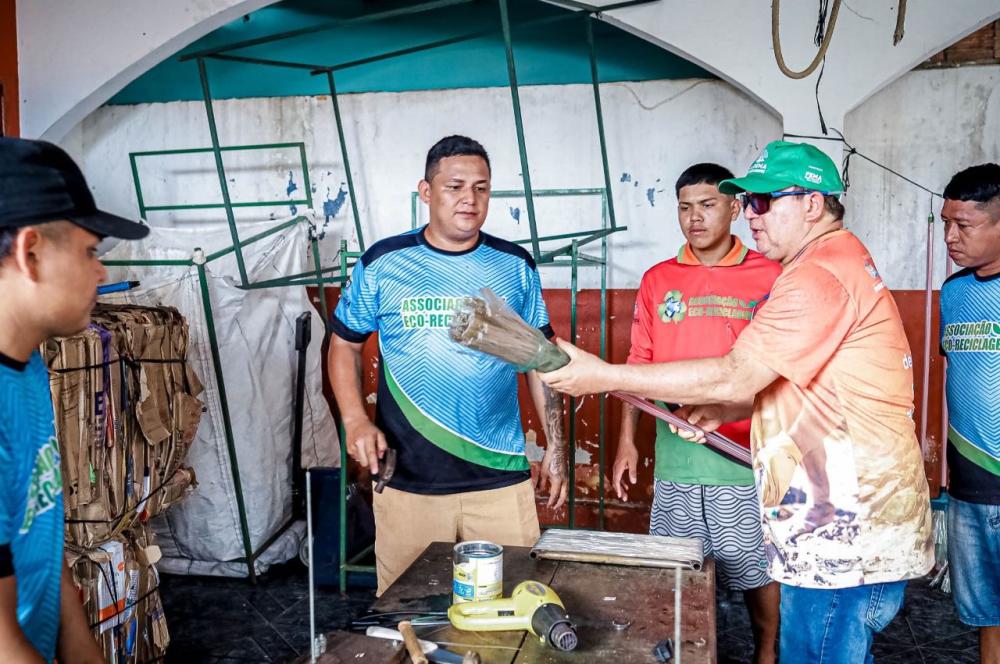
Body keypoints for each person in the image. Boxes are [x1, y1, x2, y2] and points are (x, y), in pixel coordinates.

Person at [540, 140, 934, 663]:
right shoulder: (830, 260)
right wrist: (734, 411)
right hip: (841, 521)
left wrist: (601, 374)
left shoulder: (817, 274)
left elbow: (735, 372)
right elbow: (813, 384)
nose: (752, 215)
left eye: (764, 202)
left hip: (843, 532)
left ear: (812, 204)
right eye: (748, 202)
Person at [328, 135, 568, 595]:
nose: (469, 199)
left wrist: (555, 449)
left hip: (499, 475)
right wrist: (356, 420)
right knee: (410, 611)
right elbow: (344, 344)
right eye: (455, 186)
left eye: (481, 188)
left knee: (514, 605)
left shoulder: (514, 265)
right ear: (426, 191)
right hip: (408, 479)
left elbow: (541, 360)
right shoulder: (384, 262)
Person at [613, 163, 781, 663]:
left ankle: (767, 652)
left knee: (757, 571)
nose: (695, 218)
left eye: (707, 205)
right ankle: (686, 654)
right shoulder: (658, 279)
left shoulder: (769, 275)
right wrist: (628, 441)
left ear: (735, 207)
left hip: (743, 458)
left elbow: (782, 370)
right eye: (685, 207)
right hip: (676, 459)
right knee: (675, 573)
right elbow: (635, 366)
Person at [0, 137, 150, 663]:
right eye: (90, 251)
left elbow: (39, 533)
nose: (102, 271)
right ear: (31, 252)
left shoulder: (27, 366)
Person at [939, 163, 1000, 664]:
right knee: (984, 614)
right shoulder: (954, 294)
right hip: (969, 485)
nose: (950, 236)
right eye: (945, 222)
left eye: (965, 225)